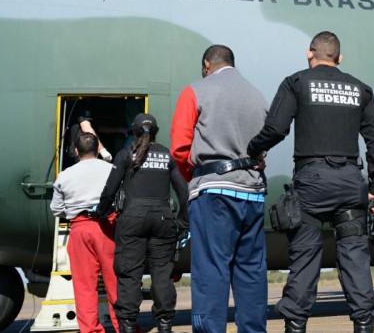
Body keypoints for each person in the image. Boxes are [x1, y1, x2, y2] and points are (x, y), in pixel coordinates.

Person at [247, 31, 374, 333]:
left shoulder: (297, 83)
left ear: (310, 54)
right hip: (351, 183)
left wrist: (253, 150)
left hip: (312, 184)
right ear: (340, 58)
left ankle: (295, 325)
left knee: (305, 261)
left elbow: (275, 128)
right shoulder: (359, 89)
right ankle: (364, 323)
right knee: (355, 260)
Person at [170, 45, 269, 333]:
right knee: (251, 271)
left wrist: (197, 176)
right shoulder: (257, 96)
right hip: (252, 192)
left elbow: (179, 149)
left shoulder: (196, 90)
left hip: (214, 193)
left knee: (211, 270)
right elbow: (262, 147)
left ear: (206, 64)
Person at [96, 113, 189, 333]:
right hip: (164, 219)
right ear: (155, 131)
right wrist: (182, 224)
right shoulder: (167, 156)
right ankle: (165, 325)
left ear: (133, 131)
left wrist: (101, 211)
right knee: (162, 274)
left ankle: (127, 325)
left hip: (131, 219)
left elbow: (110, 190)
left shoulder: (125, 155)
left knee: (129, 273)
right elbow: (184, 193)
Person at [50, 133, 120, 333]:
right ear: (98, 149)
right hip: (108, 226)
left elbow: (56, 209)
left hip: (79, 228)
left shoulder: (65, 175)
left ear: (76, 151)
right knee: (116, 281)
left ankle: (90, 329)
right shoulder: (112, 170)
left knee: (84, 286)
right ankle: (124, 326)